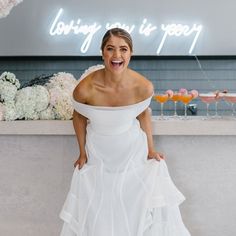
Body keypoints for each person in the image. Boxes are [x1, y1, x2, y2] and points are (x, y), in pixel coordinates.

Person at [60, 28, 191, 236]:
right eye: (110, 49)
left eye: (123, 49)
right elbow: (79, 116)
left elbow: (143, 115)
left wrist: (150, 149)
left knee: (134, 209)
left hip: (132, 153)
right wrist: (82, 153)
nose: (117, 56)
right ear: (102, 52)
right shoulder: (85, 88)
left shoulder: (143, 86)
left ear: (131, 53)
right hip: (98, 153)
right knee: (98, 211)